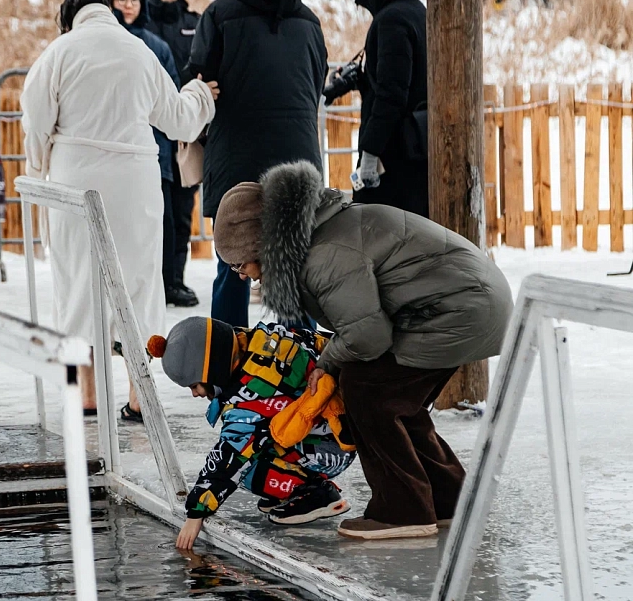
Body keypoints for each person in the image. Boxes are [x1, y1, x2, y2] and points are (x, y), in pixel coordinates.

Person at [213, 160, 514, 540]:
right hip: (461, 305)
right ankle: (448, 499)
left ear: (263, 246)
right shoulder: (317, 233)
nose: (240, 275)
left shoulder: (324, 255)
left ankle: (402, 511)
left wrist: (328, 364)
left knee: (366, 389)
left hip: (461, 310)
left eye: (240, 263)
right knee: (396, 400)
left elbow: (367, 337)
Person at [21, 0, 217, 418]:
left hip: (76, 181)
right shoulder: (139, 51)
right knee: (140, 281)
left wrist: (37, 171)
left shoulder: (59, 52)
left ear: (68, 18)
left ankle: (87, 396)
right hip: (136, 181)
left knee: (78, 281)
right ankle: (139, 395)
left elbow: (35, 121)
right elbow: (178, 118)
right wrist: (202, 95)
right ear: (108, 11)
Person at [146, 317, 356, 551]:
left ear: (211, 369)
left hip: (329, 448)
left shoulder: (251, 395)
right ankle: (295, 484)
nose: (195, 393)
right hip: (341, 428)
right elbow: (320, 340)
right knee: (255, 447)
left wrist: (196, 513)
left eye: (194, 385)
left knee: (248, 469)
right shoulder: (260, 341)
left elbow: (229, 456)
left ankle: (315, 493)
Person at [188, 0, 327, 329]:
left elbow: (199, 79)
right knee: (291, 261)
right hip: (297, 157)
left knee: (234, 265)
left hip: (237, 156)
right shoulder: (309, 20)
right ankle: (301, 362)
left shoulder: (220, 15)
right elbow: (317, 80)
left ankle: (227, 362)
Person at [105, 0, 196, 308]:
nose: (128, 6)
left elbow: (170, 90)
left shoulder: (190, 25)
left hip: (170, 136)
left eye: (133, 0)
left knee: (174, 218)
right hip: (124, 144)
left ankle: (172, 280)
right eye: (122, 0)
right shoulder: (108, 42)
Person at [145, 0, 202, 307]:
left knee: (181, 212)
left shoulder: (194, 23)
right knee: (155, 212)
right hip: (151, 131)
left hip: (185, 131)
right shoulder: (140, 21)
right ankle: (152, 279)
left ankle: (174, 280)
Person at [352, 0, 428, 217]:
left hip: (393, 158)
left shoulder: (391, 20)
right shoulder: (419, 12)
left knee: (374, 231)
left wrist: (370, 151)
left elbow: (391, 95)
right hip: (417, 149)